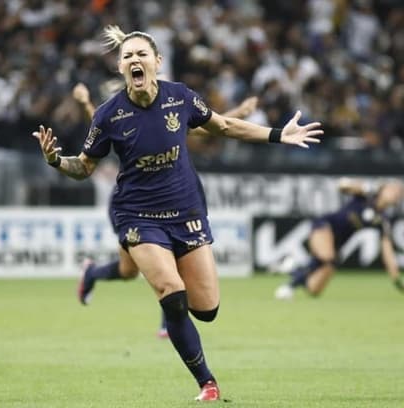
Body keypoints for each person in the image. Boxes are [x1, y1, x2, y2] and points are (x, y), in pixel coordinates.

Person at [32, 25, 322, 402]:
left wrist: (277, 134)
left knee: (207, 309)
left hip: (186, 210)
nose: (134, 60)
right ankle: (208, 383)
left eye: (141, 54)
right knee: (172, 292)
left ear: (157, 62)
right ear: (120, 67)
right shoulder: (108, 115)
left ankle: (107, 279)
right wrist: (56, 160)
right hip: (137, 215)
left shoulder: (180, 98)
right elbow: (84, 166)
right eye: (127, 56)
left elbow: (223, 126)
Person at [72, 82, 259, 339]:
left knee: (139, 269)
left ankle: (99, 277)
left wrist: (239, 112)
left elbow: (212, 126)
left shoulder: (172, 112)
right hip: (133, 203)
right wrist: (84, 103)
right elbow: (97, 126)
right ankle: (96, 275)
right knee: (133, 270)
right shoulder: (115, 115)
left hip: (170, 203)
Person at [274, 178, 404, 300]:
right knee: (327, 256)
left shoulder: (383, 221)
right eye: (393, 189)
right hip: (325, 226)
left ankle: (292, 268)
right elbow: (342, 186)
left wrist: (396, 278)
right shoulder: (366, 196)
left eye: (399, 193)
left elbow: (388, 252)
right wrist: (366, 187)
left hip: (338, 243)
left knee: (313, 290)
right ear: (383, 188)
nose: (396, 193)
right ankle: (288, 288)